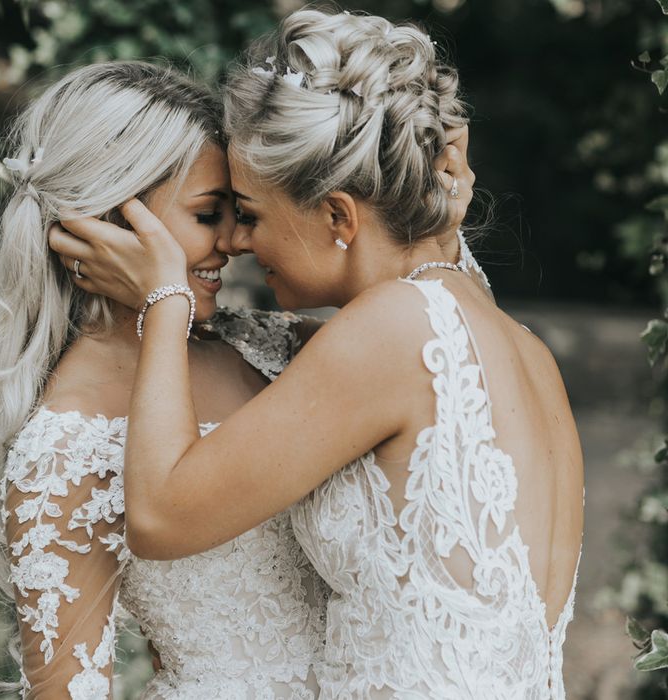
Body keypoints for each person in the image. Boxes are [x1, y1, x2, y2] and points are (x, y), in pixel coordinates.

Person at [49, 9, 584, 699]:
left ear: (337, 217)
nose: (239, 241)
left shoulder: (390, 330)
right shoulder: (520, 347)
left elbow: (156, 517)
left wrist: (164, 298)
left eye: (251, 212)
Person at [0, 59, 478, 699]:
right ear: (109, 221)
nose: (236, 240)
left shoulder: (271, 348)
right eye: (207, 214)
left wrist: (434, 223)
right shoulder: (63, 449)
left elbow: (448, 372)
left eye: (239, 212)